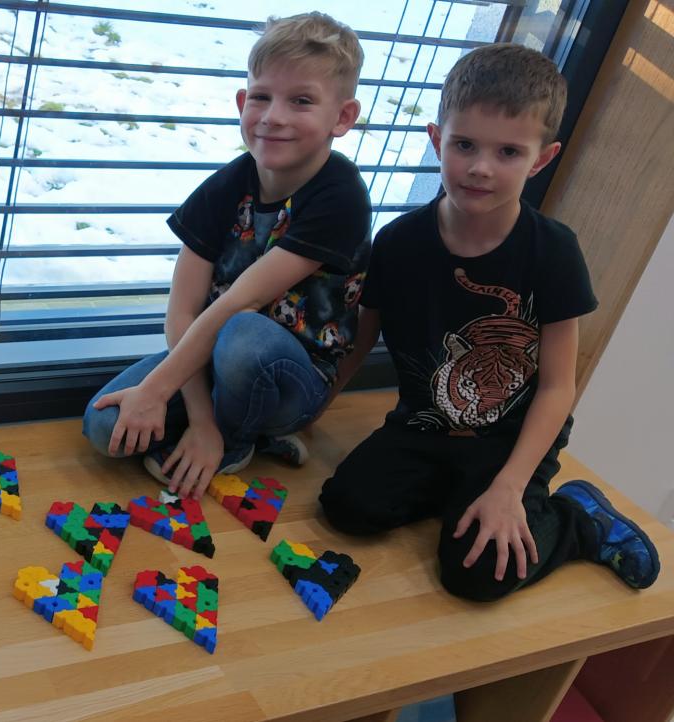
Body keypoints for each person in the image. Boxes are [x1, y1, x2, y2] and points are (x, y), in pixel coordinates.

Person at [319, 43, 659, 601]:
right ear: (436, 140)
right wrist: (313, 409)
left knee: (477, 576)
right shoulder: (397, 242)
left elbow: (557, 386)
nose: (480, 167)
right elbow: (361, 340)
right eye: (464, 145)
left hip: (512, 438)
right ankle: (458, 495)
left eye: (508, 152)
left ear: (541, 159)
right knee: (347, 509)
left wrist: (509, 485)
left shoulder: (554, 251)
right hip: (426, 423)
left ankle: (578, 521)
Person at [83, 12, 371, 499]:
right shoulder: (226, 185)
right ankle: (224, 428)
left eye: (301, 100)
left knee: (244, 334)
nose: (273, 116)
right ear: (242, 102)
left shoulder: (340, 196)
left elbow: (242, 302)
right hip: (217, 350)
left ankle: (238, 439)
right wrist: (196, 416)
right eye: (261, 97)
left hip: (292, 375)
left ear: (342, 117)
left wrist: (159, 392)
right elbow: (182, 311)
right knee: (105, 427)